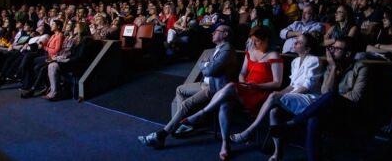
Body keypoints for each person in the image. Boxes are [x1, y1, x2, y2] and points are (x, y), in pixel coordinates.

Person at [177, 26, 284, 160]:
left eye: (257, 41)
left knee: (230, 87)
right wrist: (244, 82)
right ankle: (225, 144)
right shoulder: (250, 52)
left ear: (266, 40)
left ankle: (201, 114)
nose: (254, 44)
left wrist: (256, 85)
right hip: (247, 89)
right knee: (225, 103)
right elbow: (242, 73)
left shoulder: (274, 55)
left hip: (262, 93)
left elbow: (277, 83)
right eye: (252, 41)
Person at [138, 25, 237, 149]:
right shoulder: (217, 48)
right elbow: (203, 64)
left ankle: (162, 135)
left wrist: (205, 65)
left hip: (214, 88)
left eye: (216, 31)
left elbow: (209, 70)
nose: (212, 33)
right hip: (204, 84)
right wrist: (205, 65)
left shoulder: (227, 49)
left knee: (186, 104)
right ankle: (180, 125)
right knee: (180, 89)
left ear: (225, 34)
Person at [270, 37, 369, 161]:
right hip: (329, 109)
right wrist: (333, 68)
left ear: (348, 53)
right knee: (314, 118)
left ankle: (293, 123)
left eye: (337, 49)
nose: (332, 51)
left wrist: (334, 98)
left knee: (331, 97)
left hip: (349, 111)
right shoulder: (330, 67)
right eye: (332, 48)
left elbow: (355, 97)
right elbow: (324, 92)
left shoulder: (360, 68)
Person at [230, 33, 322, 161]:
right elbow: (292, 85)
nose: (295, 43)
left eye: (299, 42)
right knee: (274, 110)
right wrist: (280, 95)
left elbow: (306, 87)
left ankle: (249, 131)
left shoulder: (314, 60)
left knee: (274, 97)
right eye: (296, 41)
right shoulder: (295, 61)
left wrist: (279, 96)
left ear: (307, 49)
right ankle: (278, 153)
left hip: (309, 99)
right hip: (294, 97)